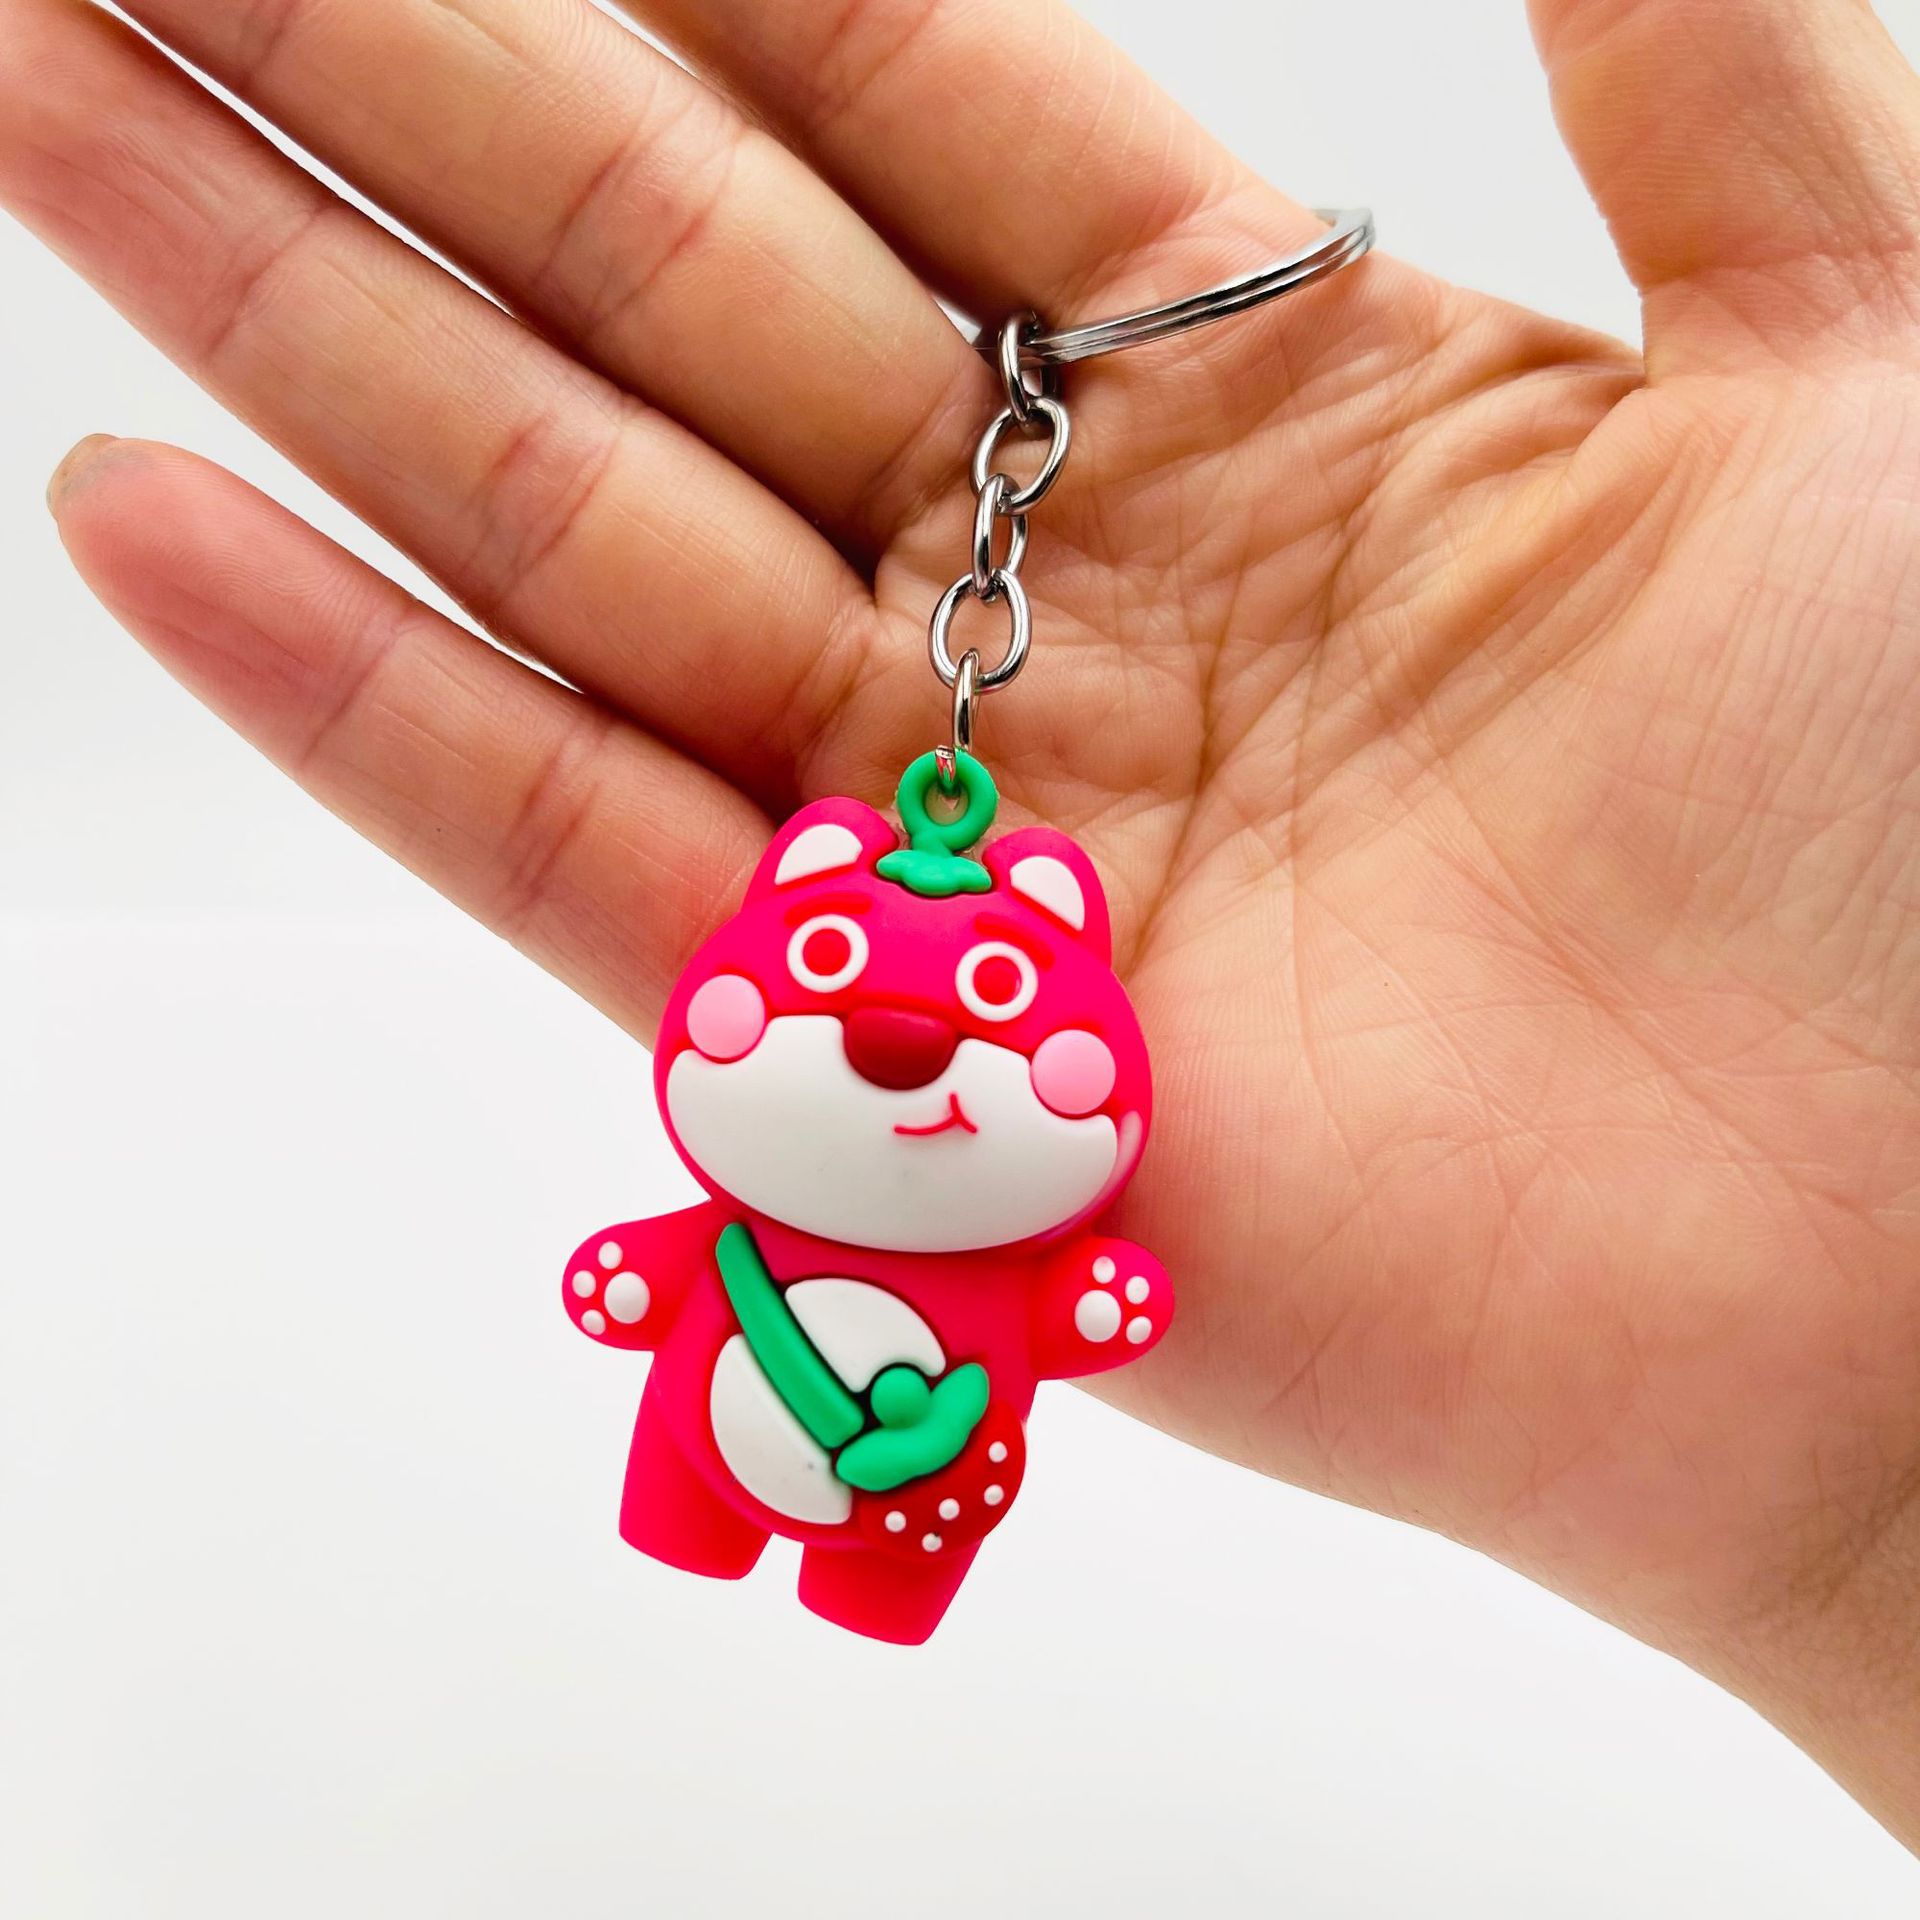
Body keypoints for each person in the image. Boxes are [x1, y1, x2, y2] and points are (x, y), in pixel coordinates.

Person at [5, 0, 1919, 1849]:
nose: (907, 1036)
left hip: (933, 1471)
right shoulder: (796, 1196)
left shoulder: (997, 1234)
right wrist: (646, 1282)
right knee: (692, 1482)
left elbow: (1060, 1304)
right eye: (834, 978)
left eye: (998, 997)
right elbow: (692, 1266)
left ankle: (857, 1575)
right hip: (754, 1395)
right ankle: (695, 1515)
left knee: (883, 1554)